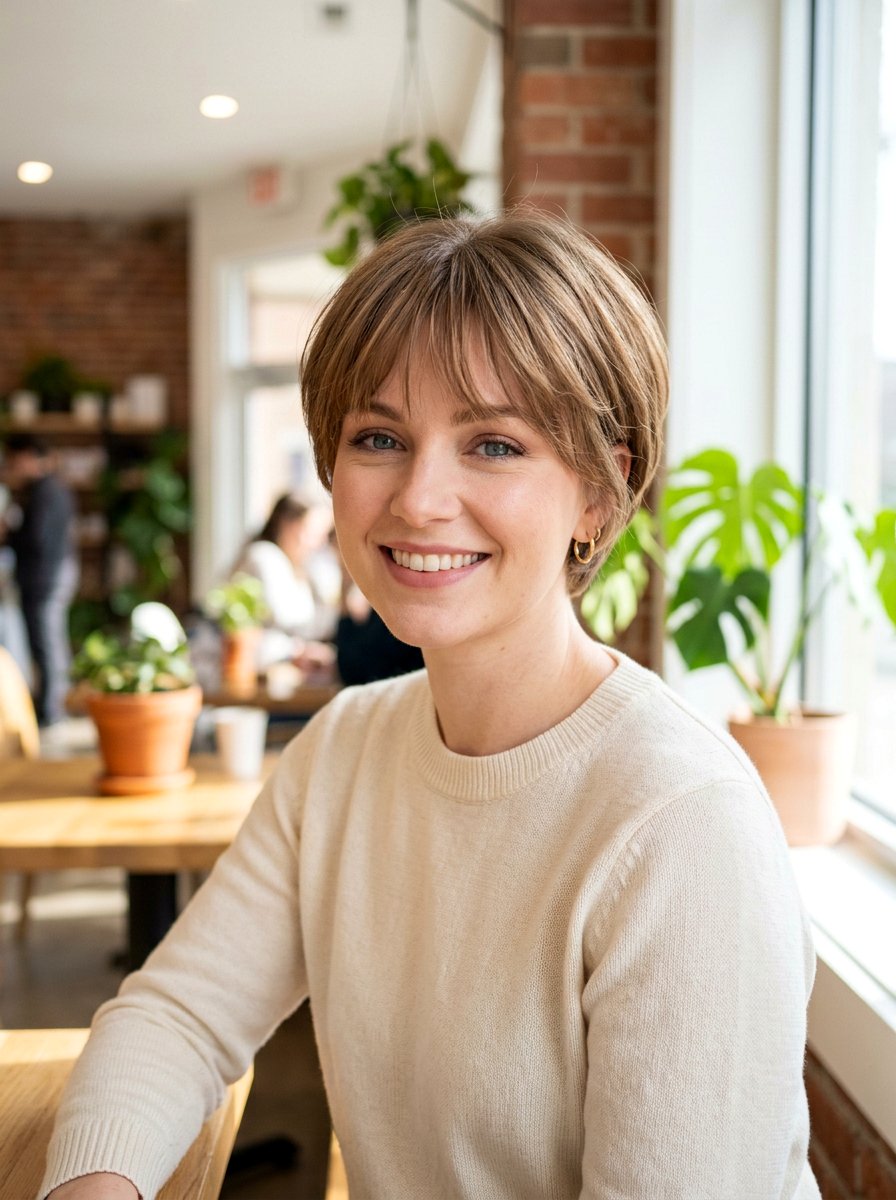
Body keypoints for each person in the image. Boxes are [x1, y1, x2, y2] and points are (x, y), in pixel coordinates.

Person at [39, 214, 820, 1200]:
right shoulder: (345, 751)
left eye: (492, 444)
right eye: (379, 438)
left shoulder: (681, 822)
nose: (417, 499)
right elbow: (176, 1018)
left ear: (601, 485)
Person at [1, 433, 78, 727]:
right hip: (51, 576)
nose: (11, 467)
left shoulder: (45, 491)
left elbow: (36, 539)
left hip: (46, 579)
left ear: (30, 457)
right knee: (48, 643)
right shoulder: (50, 489)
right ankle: (51, 706)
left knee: (46, 644)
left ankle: (50, 711)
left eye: (14, 460)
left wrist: (8, 534)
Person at [232, 492, 339, 671]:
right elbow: (286, 618)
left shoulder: (298, 568)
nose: (318, 544)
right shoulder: (264, 556)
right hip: (252, 671)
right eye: (312, 532)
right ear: (287, 525)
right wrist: (297, 650)